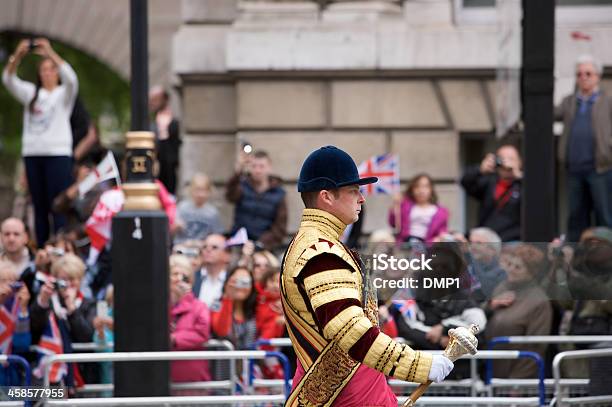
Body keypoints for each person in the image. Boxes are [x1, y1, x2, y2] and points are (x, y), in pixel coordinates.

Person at [281, 145, 454, 407]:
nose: (361, 198)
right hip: (345, 398)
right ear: (326, 197)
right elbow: (353, 332)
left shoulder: (320, 245)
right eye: (354, 191)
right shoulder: (321, 252)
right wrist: (419, 365)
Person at [2, 38, 78, 247]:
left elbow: (71, 78)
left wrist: (49, 52)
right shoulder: (31, 94)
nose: (47, 73)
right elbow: (8, 79)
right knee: (39, 206)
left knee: (58, 205)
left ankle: (60, 246)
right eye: (43, 69)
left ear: (56, 72)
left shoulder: (63, 95)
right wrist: (17, 55)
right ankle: (43, 248)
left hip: (58, 154)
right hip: (34, 154)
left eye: (51, 69)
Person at [556, 55, 612, 242]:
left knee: (604, 216)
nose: (584, 77)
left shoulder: (607, 100)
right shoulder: (569, 101)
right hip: (574, 169)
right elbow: (549, 114)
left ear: (597, 76)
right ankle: (575, 258)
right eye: (579, 74)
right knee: (576, 218)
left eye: (588, 73)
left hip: (600, 168)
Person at [485, 244, 552, 378]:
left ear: (531, 273)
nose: (511, 269)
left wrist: (517, 382)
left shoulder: (539, 301)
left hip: (516, 376)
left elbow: (536, 348)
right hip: (492, 370)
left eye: (518, 267)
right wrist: (490, 306)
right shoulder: (501, 288)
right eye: (510, 264)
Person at [226, 150, 287, 251]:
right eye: (254, 166)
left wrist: (259, 244)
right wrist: (237, 172)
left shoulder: (279, 193)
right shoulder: (242, 186)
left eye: (261, 166)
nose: (257, 170)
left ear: (269, 167)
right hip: (239, 243)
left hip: (264, 246)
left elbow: (280, 228)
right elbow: (230, 196)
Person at [461, 144, 522, 241]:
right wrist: (480, 169)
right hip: (487, 242)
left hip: (513, 241)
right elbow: (465, 182)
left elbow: (538, 197)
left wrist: (519, 175)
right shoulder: (489, 182)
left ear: (519, 162)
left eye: (511, 159)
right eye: (502, 159)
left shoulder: (522, 185)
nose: (506, 163)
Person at [169, 255, 211, 384]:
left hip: (191, 375)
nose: (179, 279)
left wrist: (175, 339)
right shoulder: (156, 306)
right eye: (175, 274)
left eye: (185, 276)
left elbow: (202, 333)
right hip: (161, 374)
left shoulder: (199, 307)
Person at [389, 173, 449, 244]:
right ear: (412, 190)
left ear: (431, 189)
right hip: (407, 242)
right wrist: (395, 205)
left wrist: (439, 238)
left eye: (425, 186)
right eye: (417, 187)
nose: (421, 190)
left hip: (429, 244)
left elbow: (442, 231)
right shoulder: (404, 206)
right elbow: (393, 224)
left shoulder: (441, 212)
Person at [211, 266, 258, 351]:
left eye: (245, 282)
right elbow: (221, 332)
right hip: (224, 362)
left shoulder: (256, 307)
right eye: (236, 281)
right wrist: (228, 298)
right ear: (227, 282)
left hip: (249, 362)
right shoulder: (216, 304)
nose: (240, 286)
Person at [0, 261, 31, 385]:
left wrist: (23, 310)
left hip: (12, 377)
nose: (7, 286)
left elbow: (22, 345)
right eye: (2, 280)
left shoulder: (18, 307)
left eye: (12, 281)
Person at [174, 173, 223, 244]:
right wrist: (176, 226)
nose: (200, 194)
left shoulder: (212, 213)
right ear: (191, 190)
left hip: (203, 249)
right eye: (197, 190)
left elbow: (218, 235)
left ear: (209, 192)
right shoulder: (182, 208)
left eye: (204, 190)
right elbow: (171, 231)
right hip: (182, 245)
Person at [150, 86, 181, 195]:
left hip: (169, 177)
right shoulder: (152, 124)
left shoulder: (174, 124)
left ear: (164, 100)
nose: (152, 103)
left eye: (155, 99)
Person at [192, 234, 230, 308]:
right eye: (204, 247)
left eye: (214, 247)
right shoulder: (192, 278)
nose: (208, 250)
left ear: (227, 255)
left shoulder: (231, 280)